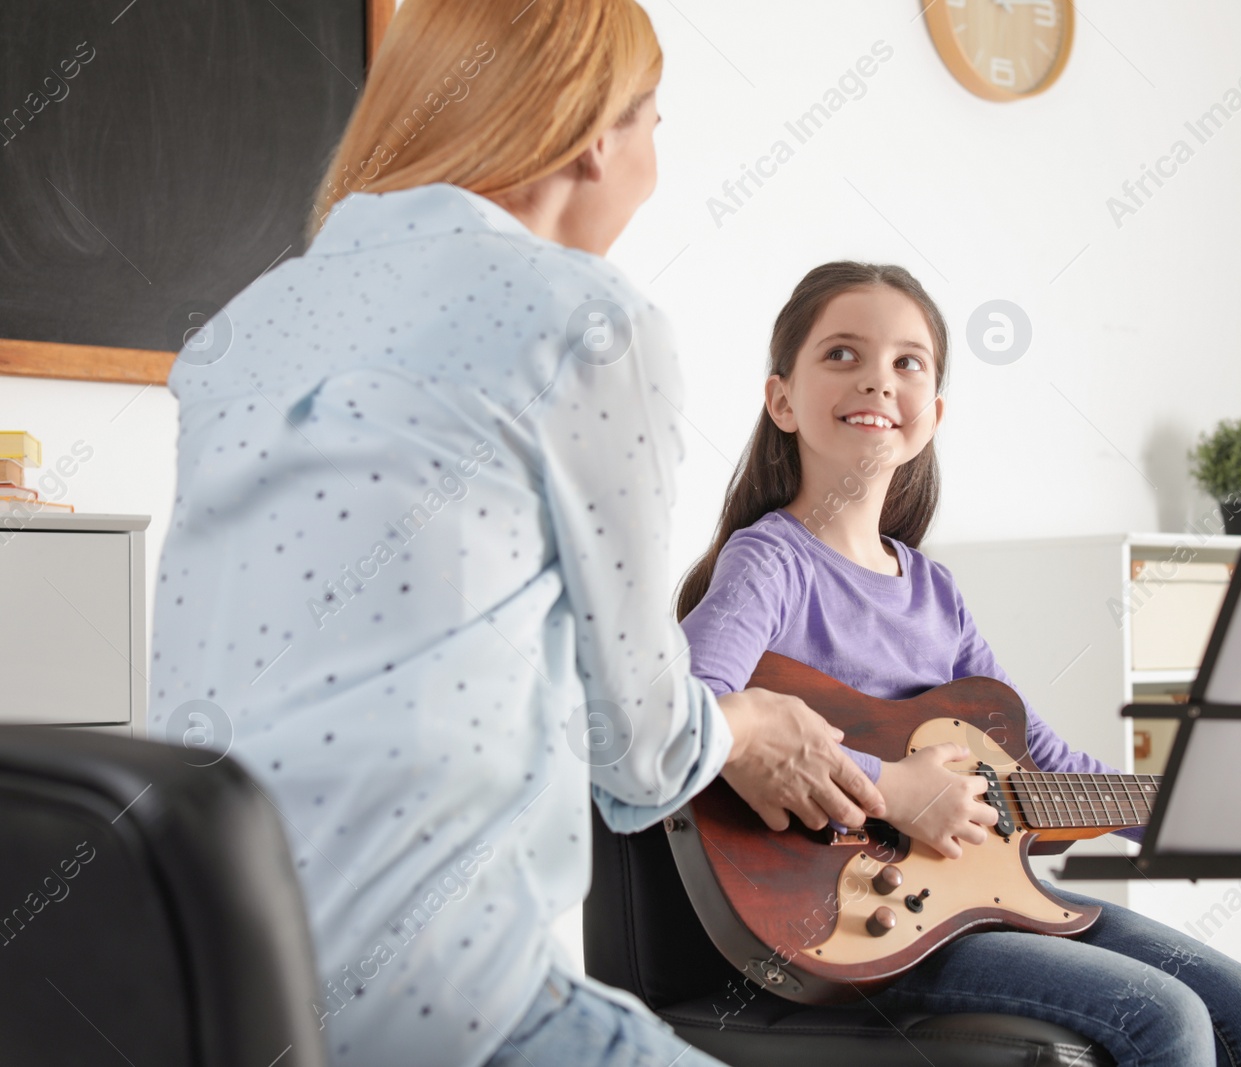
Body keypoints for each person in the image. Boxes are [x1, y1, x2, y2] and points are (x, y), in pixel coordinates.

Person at [148, 3, 881, 1065]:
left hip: (205, 984)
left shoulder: (245, 324)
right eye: (655, 125)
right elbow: (638, 747)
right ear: (596, 132)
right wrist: (752, 726)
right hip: (442, 1010)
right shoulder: (584, 318)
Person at [676, 261, 1241, 1066]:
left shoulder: (936, 589)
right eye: (841, 354)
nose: (876, 379)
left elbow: (1034, 757)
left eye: (908, 362)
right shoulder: (770, 563)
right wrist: (892, 786)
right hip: (853, 915)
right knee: (1166, 1018)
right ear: (782, 399)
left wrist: (1185, 810)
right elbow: (686, 712)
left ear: (932, 413)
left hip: (976, 893)